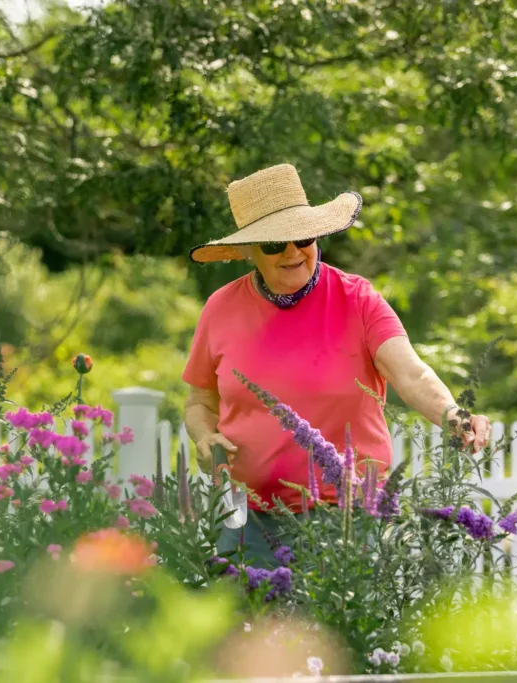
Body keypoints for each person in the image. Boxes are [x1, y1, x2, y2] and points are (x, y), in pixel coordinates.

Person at [181, 163, 492, 568]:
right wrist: (204, 437)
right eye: (275, 244)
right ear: (248, 250)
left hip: (345, 516)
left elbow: (411, 373)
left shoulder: (358, 300)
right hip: (247, 519)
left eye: (303, 238)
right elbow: (199, 402)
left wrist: (453, 414)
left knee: (336, 630)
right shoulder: (220, 308)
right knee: (246, 628)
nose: (293, 252)